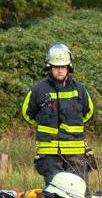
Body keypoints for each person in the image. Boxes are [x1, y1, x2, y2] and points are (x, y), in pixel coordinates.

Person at [21, 43, 95, 184]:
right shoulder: (38, 90)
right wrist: (43, 124)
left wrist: (71, 127)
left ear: (69, 67)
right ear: (49, 67)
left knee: (78, 187)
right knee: (55, 188)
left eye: (63, 67)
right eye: (56, 67)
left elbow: (88, 112)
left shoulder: (79, 89)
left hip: (75, 147)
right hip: (49, 149)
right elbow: (27, 113)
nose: (60, 70)